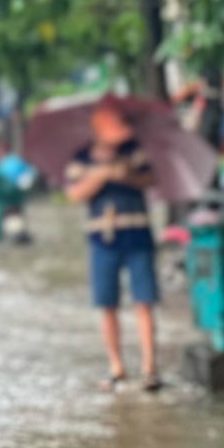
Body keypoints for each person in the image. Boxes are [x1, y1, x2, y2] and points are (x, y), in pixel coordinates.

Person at [65, 102, 163, 392]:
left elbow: (151, 179)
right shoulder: (81, 158)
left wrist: (127, 176)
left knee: (144, 301)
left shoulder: (134, 152)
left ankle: (149, 367)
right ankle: (116, 367)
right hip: (102, 240)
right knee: (106, 303)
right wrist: (102, 175)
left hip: (138, 235)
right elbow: (74, 194)